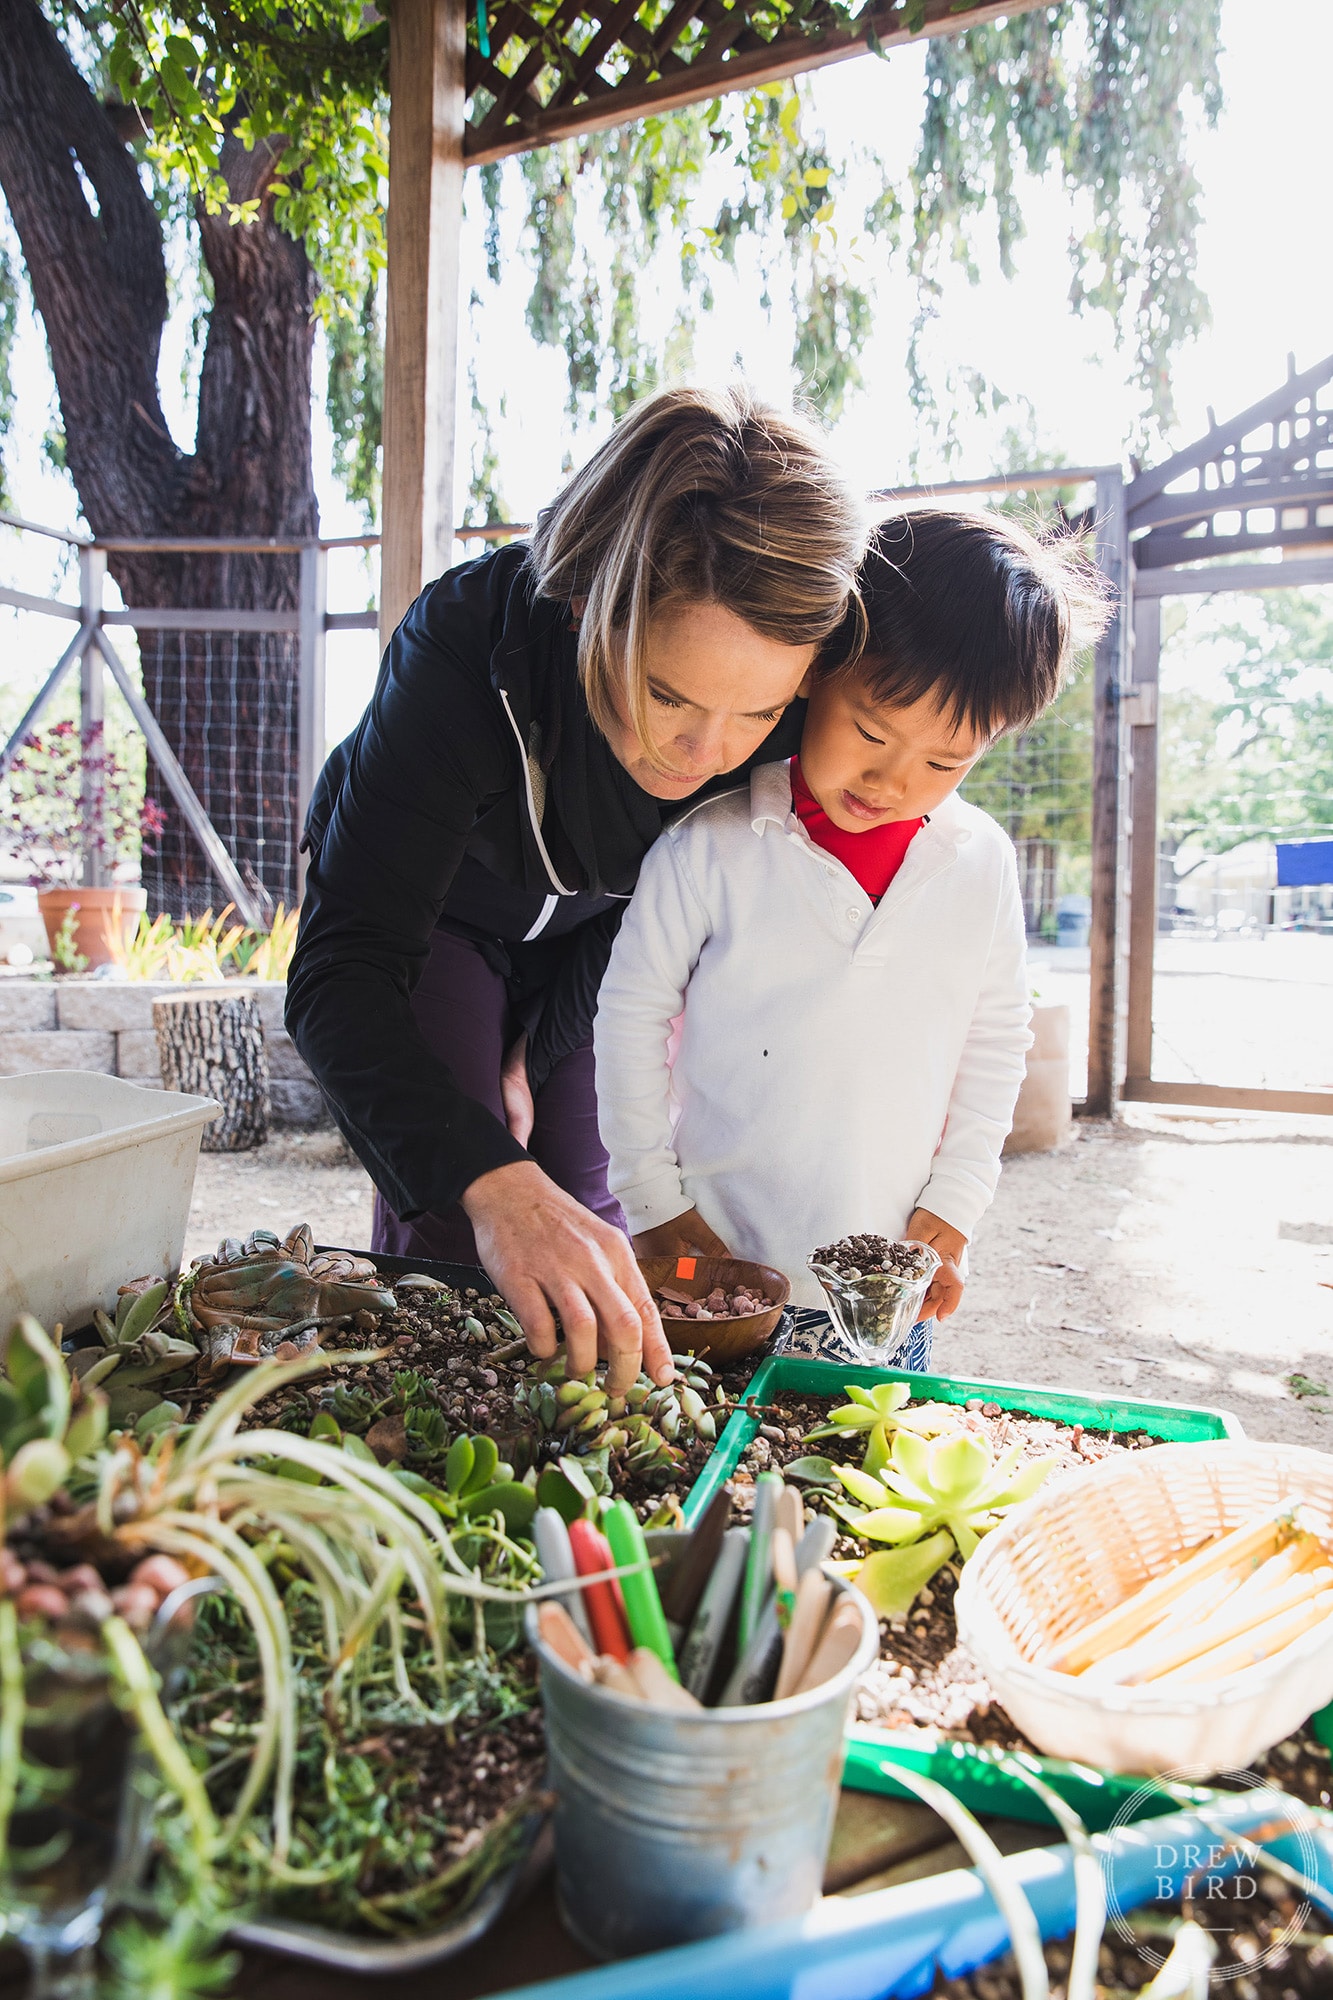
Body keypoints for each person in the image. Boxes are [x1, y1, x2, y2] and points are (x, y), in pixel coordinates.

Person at [285, 386, 869, 1394]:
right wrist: (494, 1181)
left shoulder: (783, 707)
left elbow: (653, 910)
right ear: (579, 606)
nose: (705, 751)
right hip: (439, 915)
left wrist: (532, 1049)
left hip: (600, 928)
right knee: (469, 1217)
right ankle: (436, 1431)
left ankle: (610, 1422)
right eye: (665, 693)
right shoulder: (464, 648)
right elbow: (342, 973)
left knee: (584, 1185)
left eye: (757, 712)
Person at [593, 509, 1109, 1365]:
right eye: (870, 731)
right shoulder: (709, 845)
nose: (892, 779)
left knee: (861, 1467)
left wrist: (957, 1200)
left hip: (885, 1284)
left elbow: (994, 1038)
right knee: (707, 1464)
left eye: (944, 761)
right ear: (814, 673)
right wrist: (649, 1200)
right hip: (717, 1265)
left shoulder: (977, 862)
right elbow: (628, 1018)